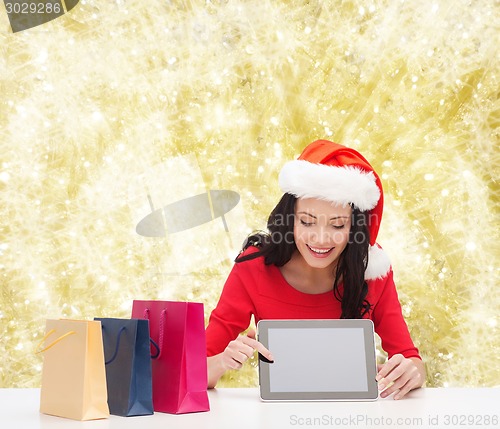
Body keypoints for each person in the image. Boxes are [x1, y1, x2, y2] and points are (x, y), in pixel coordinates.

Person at [205, 139, 425, 400]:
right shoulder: (253, 267)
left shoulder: (373, 273)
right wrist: (222, 361)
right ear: (290, 219)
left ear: (354, 228)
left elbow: (412, 361)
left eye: (338, 225)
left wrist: (411, 372)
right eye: (307, 222)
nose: (321, 239)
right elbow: (196, 369)